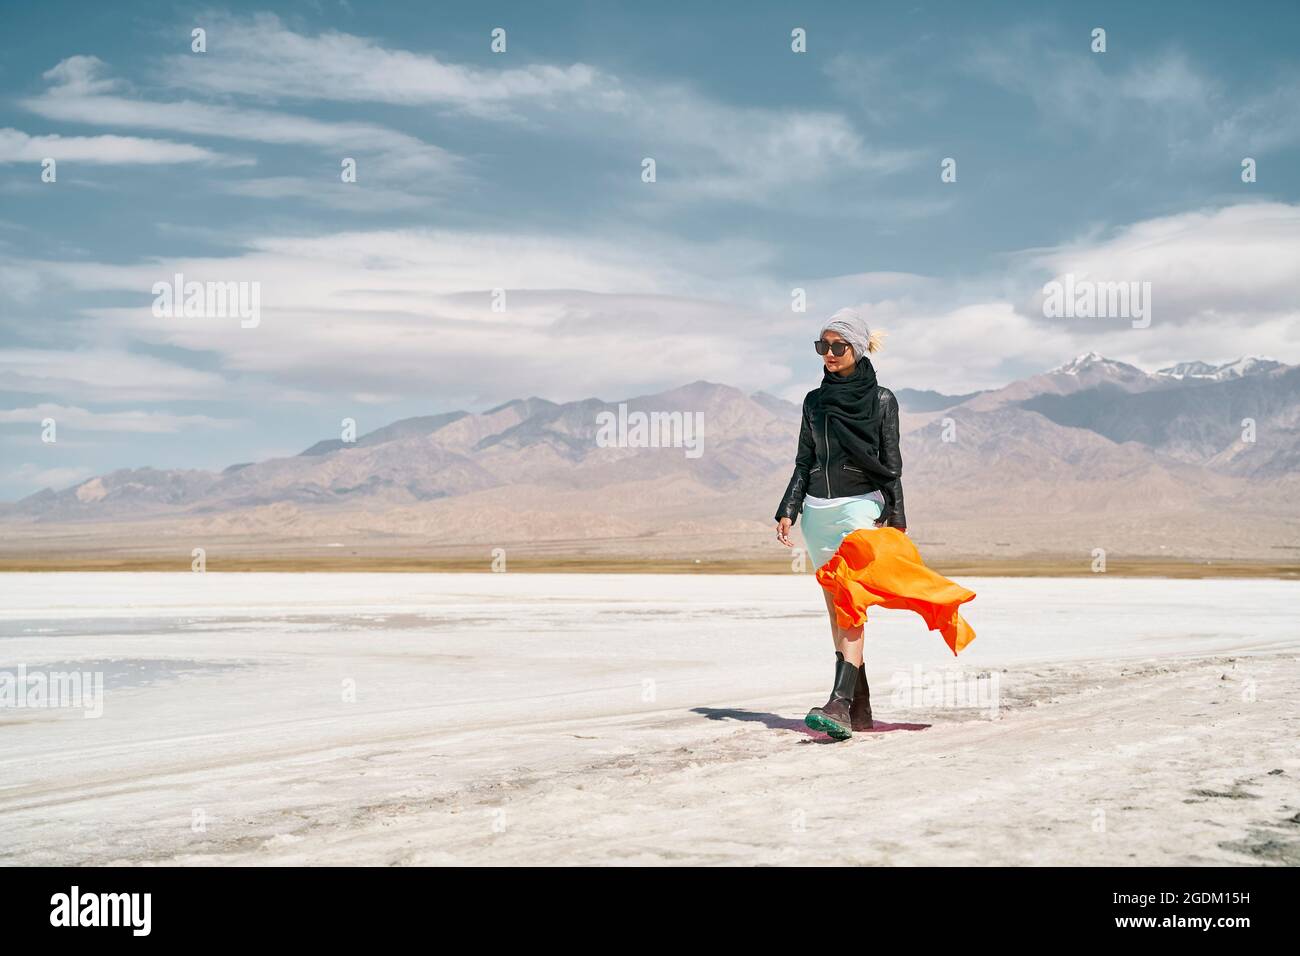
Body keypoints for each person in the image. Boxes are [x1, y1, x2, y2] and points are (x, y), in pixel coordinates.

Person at [773, 308, 915, 740]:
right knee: (837, 607)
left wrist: (897, 519)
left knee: (851, 602)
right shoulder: (814, 402)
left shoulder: (882, 400)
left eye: (838, 346)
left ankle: (837, 704)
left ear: (857, 347)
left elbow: (891, 466)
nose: (829, 354)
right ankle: (861, 707)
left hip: (860, 509)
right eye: (823, 347)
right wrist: (789, 508)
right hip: (818, 513)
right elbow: (805, 460)